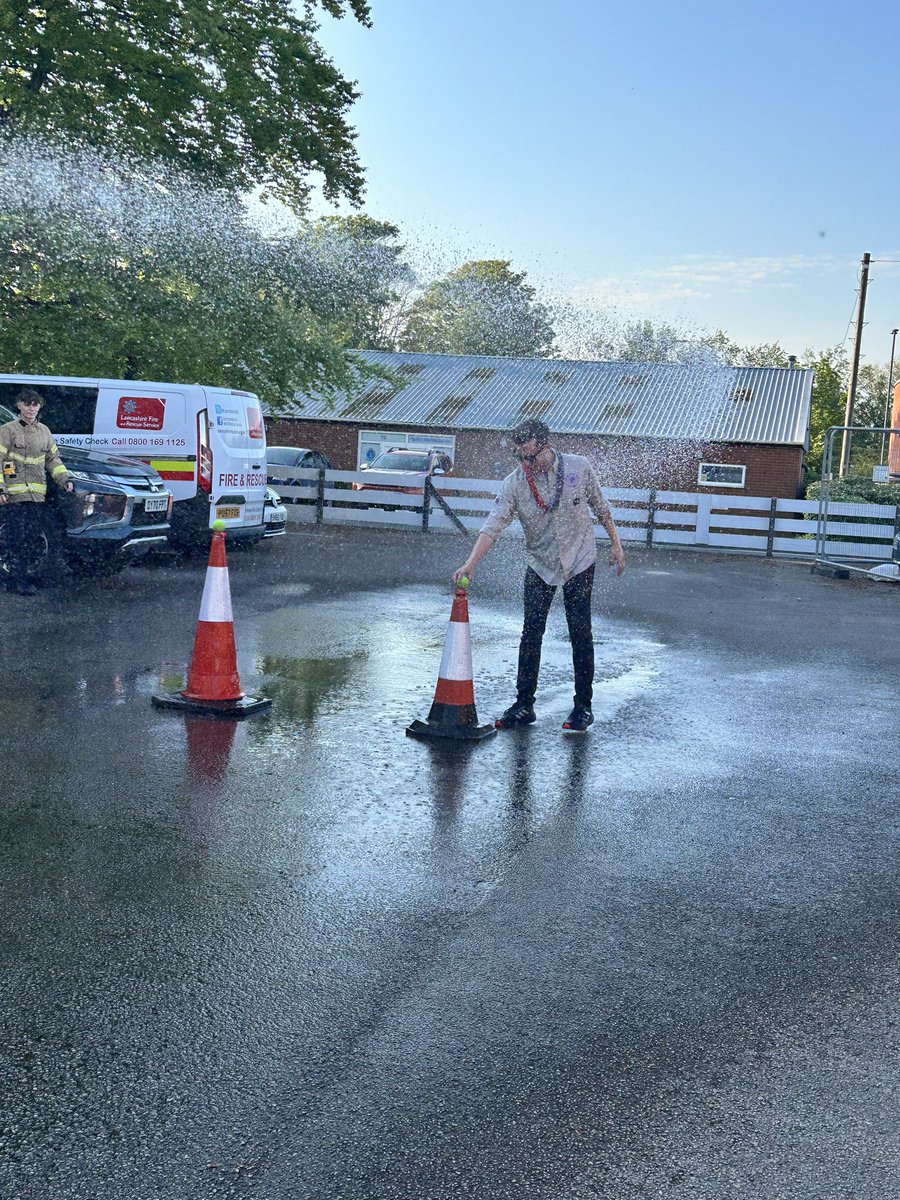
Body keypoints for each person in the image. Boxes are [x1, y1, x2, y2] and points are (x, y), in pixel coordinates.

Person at [453, 418, 625, 733]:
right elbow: (493, 525)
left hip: (579, 560)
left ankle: (583, 708)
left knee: (580, 633)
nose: (526, 463)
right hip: (541, 564)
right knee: (531, 634)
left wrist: (616, 544)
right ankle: (523, 705)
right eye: (520, 457)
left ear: (546, 445)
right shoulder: (514, 483)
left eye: (530, 456)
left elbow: (601, 507)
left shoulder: (578, 467)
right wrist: (470, 563)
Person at [0, 388, 73, 594]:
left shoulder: (44, 432)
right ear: (19, 405)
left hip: (36, 496)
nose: (31, 408)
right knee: (15, 538)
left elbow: (53, 460)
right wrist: (1, 489)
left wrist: (64, 479)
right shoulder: (8, 430)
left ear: (39, 407)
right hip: (13, 495)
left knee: (31, 538)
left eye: (35, 404)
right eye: (27, 404)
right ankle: (16, 580)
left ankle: (22, 578)